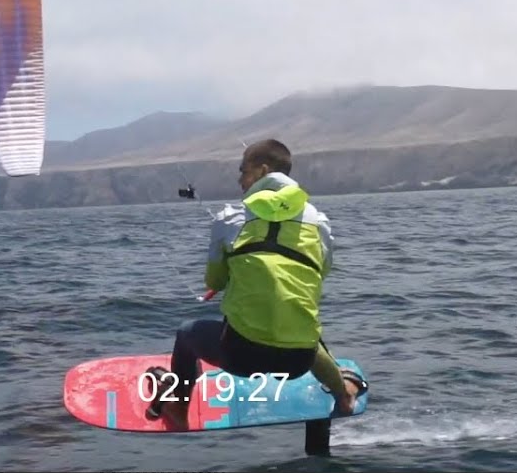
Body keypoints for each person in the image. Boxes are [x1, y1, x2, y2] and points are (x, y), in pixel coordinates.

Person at [145, 139, 366, 427]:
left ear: (262, 171)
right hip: (298, 361)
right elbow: (321, 272)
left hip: (243, 358)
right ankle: (342, 395)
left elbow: (215, 280)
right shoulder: (319, 222)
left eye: (243, 172)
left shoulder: (230, 217)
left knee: (187, 334)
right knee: (299, 325)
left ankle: (177, 408)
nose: (239, 180)